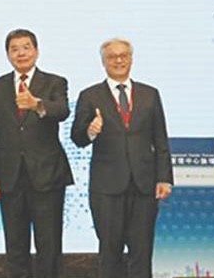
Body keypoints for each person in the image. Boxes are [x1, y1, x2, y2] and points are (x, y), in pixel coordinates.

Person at [70, 38, 173, 278]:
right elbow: (77, 138)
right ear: (103, 62)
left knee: (142, 251)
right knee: (110, 252)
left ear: (131, 59)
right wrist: (90, 131)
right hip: (107, 188)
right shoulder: (90, 95)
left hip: (144, 185)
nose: (118, 60)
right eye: (112, 57)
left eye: (123, 56)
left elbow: (160, 139)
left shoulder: (149, 94)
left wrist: (164, 178)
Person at [0, 29, 73, 278]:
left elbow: (62, 110)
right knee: (15, 247)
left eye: (26, 47)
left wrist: (37, 104)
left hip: (47, 177)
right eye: (14, 49)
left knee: (49, 246)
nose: (21, 53)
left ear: (36, 51)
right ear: (8, 55)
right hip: (10, 178)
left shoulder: (55, 82)